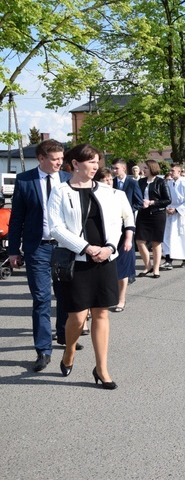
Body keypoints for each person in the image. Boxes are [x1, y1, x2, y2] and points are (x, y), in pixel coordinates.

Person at [48, 144, 125, 389]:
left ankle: (101, 368)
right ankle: (69, 350)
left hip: (104, 259)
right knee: (78, 317)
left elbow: (115, 223)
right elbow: (56, 228)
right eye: (90, 162)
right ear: (75, 164)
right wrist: (86, 248)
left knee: (102, 313)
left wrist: (110, 247)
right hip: (78, 260)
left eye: (97, 161)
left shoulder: (106, 191)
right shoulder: (60, 191)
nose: (95, 166)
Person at [7, 139, 80, 372]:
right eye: (55, 159)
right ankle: (43, 350)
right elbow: (16, 217)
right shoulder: (24, 180)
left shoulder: (69, 180)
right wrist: (12, 251)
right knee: (41, 298)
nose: (61, 162)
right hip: (36, 247)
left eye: (61, 158)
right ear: (41, 159)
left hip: (64, 246)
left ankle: (63, 335)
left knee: (64, 295)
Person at [93, 168, 136, 313]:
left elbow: (129, 217)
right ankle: (97, 303)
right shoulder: (92, 195)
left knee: (122, 270)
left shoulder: (119, 194)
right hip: (99, 238)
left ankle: (121, 299)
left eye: (110, 179)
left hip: (121, 237)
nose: (108, 182)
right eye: (105, 179)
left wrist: (129, 239)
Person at [136, 160, 171, 278]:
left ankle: (156, 269)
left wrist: (152, 202)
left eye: (145, 168)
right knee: (140, 241)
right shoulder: (140, 181)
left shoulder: (161, 182)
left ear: (152, 168)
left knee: (156, 242)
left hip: (157, 214)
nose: (143, 170)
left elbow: (167, 200)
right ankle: (147, 266)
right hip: (143, 214)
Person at [111, 159, 143, 285]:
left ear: (124, 169)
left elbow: (139, 202)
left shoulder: (132, 183)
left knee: (129, 246)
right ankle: (118, 273)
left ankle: (130, 273)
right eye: (113, 168)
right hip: (114, 219)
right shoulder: (112, 182)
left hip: (128, 219)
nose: (114, 171)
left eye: (116, 168)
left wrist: (128, 210)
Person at [163, 163, 185, 269]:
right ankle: (168, 259)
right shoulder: (169, 183)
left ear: (179, 171)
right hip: (170, 211)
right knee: (168, 236)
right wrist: (167, 207)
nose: (171, 172)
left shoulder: (184, 183)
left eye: (173, 170)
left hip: (181, 213)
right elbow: (166, 197)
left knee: (183, 235)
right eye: (170, 170)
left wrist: (178, 210)